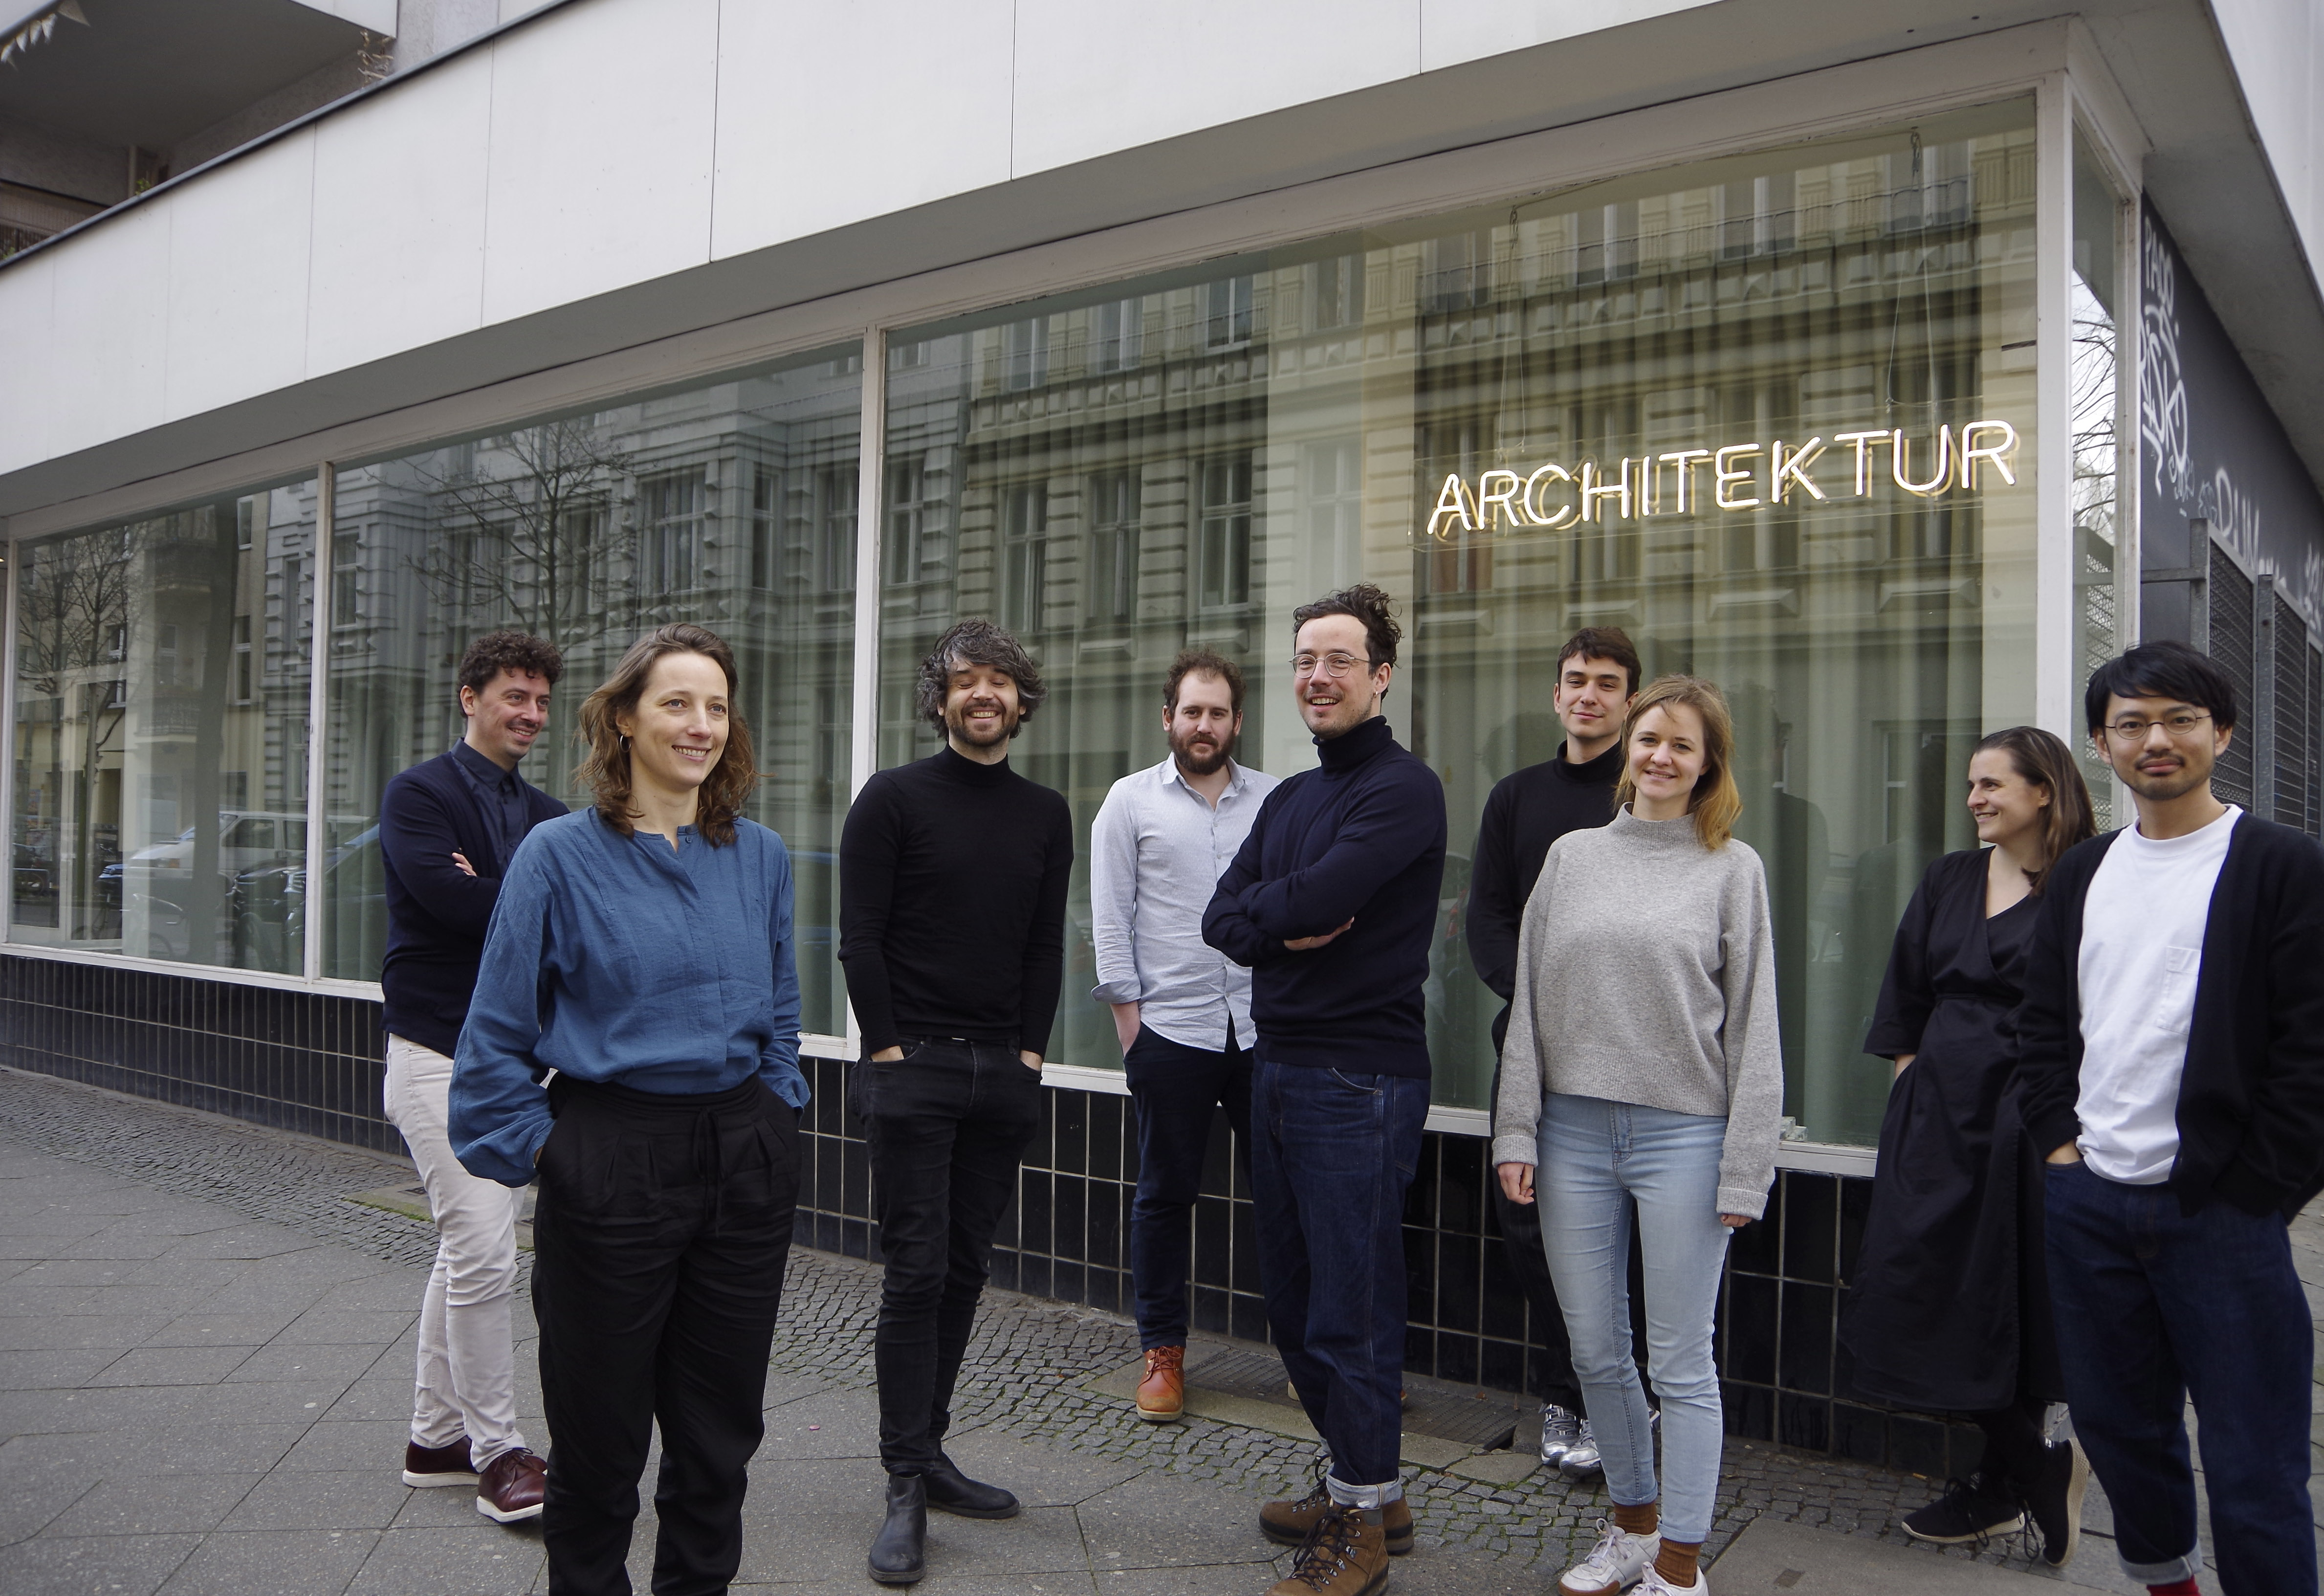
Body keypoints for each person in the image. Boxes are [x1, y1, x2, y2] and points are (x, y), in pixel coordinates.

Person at [450, 623, 808, 1596]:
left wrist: (776, 1111)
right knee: (600, 1446)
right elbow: (493, 1041)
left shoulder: (762, 856)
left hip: (742, 1158)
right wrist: (557, 1157)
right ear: (623, 719)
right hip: (611, 1154)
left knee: (718, 1441)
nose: (700, 726)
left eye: (716, 707)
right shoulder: (558, 856)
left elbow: (781, 1010)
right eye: (676, 703)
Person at [2015, 641, 2324, 1596]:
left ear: (2220, 734)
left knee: (2252, 1458)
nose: (2156, 739)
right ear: (2101, 744)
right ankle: (2169, 1586)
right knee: (2119, 1429)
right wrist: (2059, 1149)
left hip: (2220, 1211)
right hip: (2089, 1201)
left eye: (2179, 719)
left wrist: (2256, 1189)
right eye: (2132, 723)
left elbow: (2311, 1048)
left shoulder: (2282, 865)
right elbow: (2041, 1023)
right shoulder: (2083, 871)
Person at [1493, 675, 1783, 1596]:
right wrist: (1516, 1130)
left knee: (1681, 1361)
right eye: (1650, 738)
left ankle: (1681, 1567)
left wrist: (1745, 1168)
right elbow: (1529, 1004)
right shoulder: (1571, 858)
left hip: (1684, 1139)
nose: (1661, 756)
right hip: (1571, 1133)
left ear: (1707, 765)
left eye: (1682, 745)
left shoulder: (1732, 869)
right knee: (1593, 1351)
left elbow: (1755, 1026)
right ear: (1629, 746)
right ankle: (1631, 1528)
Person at [1203, 583, 1447, 1596]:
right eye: (1305, 658)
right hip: (1278, 1065)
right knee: (1297, 1306)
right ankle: (1366, 1489)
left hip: (1359, 1077)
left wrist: (1273, 914)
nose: (1317, 675)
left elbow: (1326, 897)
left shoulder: (1403, 789)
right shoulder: (1289, 800)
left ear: (1380, 676)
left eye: (1339, 659)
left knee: (1351, 1309)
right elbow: (1220, 918)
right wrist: (1280, 920)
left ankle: (1361, 1527)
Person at [839, 618, 1074, 1586]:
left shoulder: (1046, 813)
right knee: (915, 1274)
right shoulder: (891, 799)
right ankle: (903, 1481)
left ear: (1020, 700)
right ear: (939, 701)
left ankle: (929, 1451)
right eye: (965, 680)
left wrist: (1029, 1057)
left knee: (965, 1271)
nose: (984, 693)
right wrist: (888, 1051)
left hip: (999, 1077)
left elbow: (1044, 946)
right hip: (917, 1071)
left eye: (999, 680)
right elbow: (860, 937)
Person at [1842, 728, 2096, 1563]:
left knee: (2010, 1293)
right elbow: (1905, 995)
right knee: (1918, 1285)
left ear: (2043, 791)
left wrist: (2063, 1131)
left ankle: (1999, 1485)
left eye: (1991, 784)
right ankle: (2035, 1463)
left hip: (2032, 1119)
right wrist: (1912, 1095)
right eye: (1969, 785)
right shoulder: (1949, 877)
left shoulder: (2087, 884)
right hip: (1938, 1115)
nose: (1973, 799)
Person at [376, 629, 565, 1524]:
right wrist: (519, 896)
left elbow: (568, 920)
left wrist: (493, 887)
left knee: (465, 1251)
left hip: (517, 1069)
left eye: (540, 702)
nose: (530, 714)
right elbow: (451, 905)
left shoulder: (550, 815)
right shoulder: (420, 794)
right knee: (487, 1254)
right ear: (470, 698)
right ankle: (498, 1454)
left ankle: (435, 1439)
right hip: (436, 1058)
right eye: (513, 697)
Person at [1468, 627, 1646, 1476]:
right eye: (1576, 679)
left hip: (1631, 1050)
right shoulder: (1515, 798)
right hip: (1532, 1048)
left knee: (1617, 1231)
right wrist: (1541, 1004)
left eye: (1606, 683)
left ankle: (1621, 1398)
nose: (1588, 695)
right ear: (1556, 695)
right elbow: (1487, 919)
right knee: (1530, 1226)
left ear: (1629, 702)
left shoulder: (1649, 797)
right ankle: (1564, 1388)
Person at [1089, 650, 1278, 1422]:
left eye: (1218, 713)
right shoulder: (1128, 801)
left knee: (1287, 1198)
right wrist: (1131, 1028)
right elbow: (1110, 918)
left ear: (1237, 722)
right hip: (1169, 1030)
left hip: (1262, 1031)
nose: (1205, 725)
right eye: (1192, 712)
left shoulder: (1274, 801)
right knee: (1165, 1196)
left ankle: (1312, 1354)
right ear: (1168, 718)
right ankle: (1162, 1354)